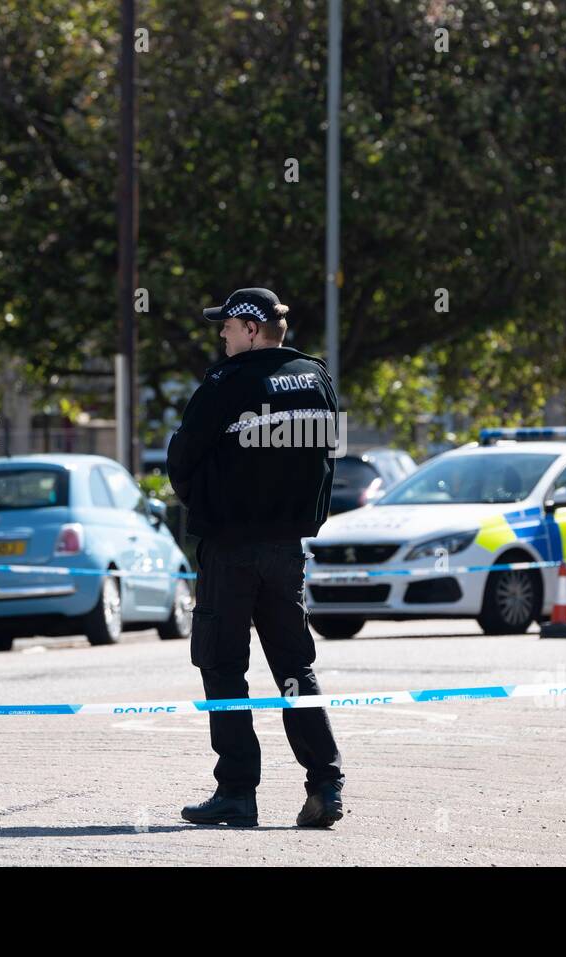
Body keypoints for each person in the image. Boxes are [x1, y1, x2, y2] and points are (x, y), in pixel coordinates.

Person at [167, 287, 346, 828]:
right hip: (287, 550)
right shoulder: (315, 376)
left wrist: (208, 503)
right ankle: (326, 785)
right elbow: (327, 458)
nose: (220, 334)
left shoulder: (229, 382)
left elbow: (182, 457)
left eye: (226, 326)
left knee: (222, 666)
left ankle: (237, 792)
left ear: (250, 329)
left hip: (231, 547)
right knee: (295, 669)